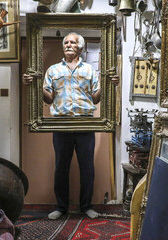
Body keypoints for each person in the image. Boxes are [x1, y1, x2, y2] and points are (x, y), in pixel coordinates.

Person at [23, 32, 119, 219]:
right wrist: (34, 84)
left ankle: (86, 206)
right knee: (61, 167)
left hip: (85, 124)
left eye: (73, 42)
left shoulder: (90, 70)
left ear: (80, 48)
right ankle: (61, 207)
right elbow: (49, 99)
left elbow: (95, 98)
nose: (68, 44)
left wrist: (109, 85)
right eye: (65, 42)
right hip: (61, 124)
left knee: (87, 168)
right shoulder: (53, 70)